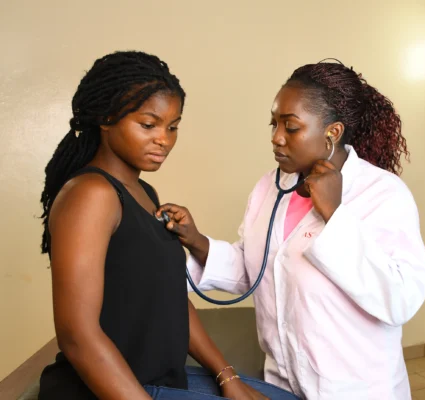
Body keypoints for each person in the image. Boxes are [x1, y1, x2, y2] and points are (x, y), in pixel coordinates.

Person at [157, 60, 425, 399]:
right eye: (274, 124)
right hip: (282, 384)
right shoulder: (269, 187)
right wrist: (197, 242)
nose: (276, 138)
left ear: (332, 132)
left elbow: (401, 300)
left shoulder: (382, 194)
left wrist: (334, 214)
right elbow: (256, 270)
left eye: (291, 127)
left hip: (356, 390)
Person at [38, 51, 299, 400]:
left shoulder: (145, 193)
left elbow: (173, 301)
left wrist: (228, 377)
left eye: (172, 126)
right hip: (107, 390)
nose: (164, 139)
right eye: (148, 125)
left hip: (159, 378)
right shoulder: (91, 195)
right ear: (105, 118)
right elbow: (77, 335)